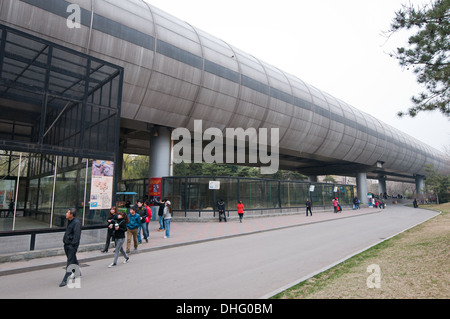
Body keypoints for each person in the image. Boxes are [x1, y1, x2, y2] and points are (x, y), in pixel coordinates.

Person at [59, 208, 82, 287]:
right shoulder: (70, 221)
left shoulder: (76, 223)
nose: (66, 214)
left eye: (68, 213)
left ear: (71, 215)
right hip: (67, 243)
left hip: (71, 245)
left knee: (70, 261)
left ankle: (66, 278)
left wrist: (73, 244)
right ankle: (77, 272)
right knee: (72, 258)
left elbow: (77, 235)